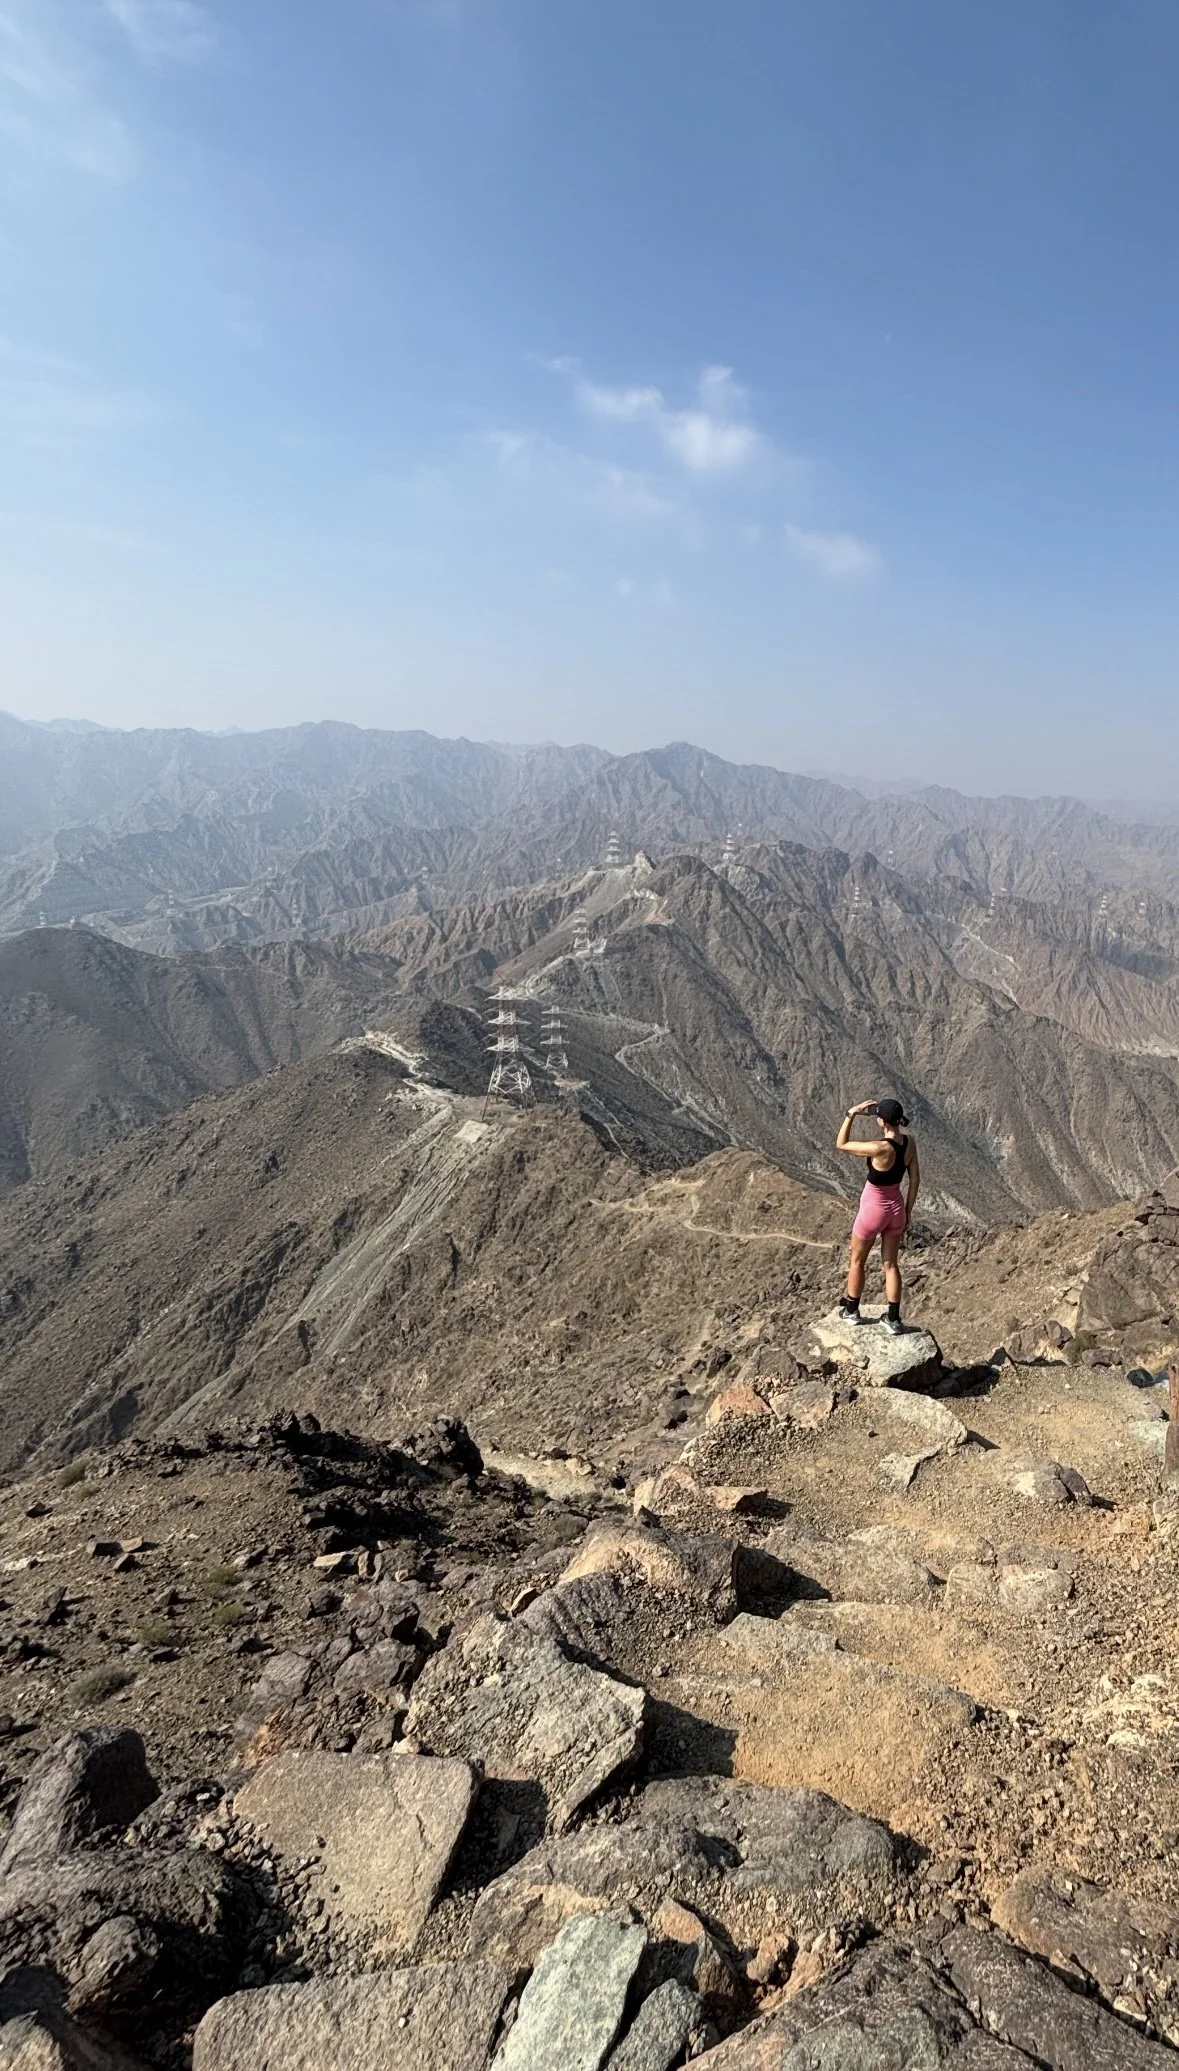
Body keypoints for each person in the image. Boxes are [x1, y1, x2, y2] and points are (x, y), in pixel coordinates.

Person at [835, 1097, 920, 1335]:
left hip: (873, 1209)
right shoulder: (910, 1144)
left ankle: (851, 1310)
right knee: (891, 1265)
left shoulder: (879, 1148)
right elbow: (915, 1180)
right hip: (896, 1209)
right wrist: (908, 1211)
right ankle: (893, 1319)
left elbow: (841, 1144)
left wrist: (851, 1113)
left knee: (857, 1261)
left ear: (882, 1121)